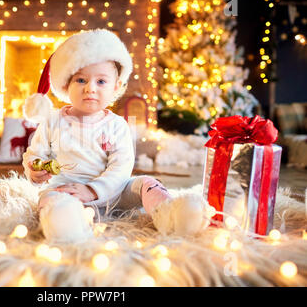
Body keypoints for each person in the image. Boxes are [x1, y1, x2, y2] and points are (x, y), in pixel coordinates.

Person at [22, 29, 211, 242]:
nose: (90, 89)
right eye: (81, 80)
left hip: (114, 192)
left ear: (116, 87)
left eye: (101, 82)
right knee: (48, 198)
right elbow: (35, 154)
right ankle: (67, 222)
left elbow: (120, 167)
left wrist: (93, 190)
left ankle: (170, 215)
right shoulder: (52, 120)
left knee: (145, 183)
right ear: (66, 84)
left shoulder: (116, 126)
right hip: (68, 192)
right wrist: (34, 169)